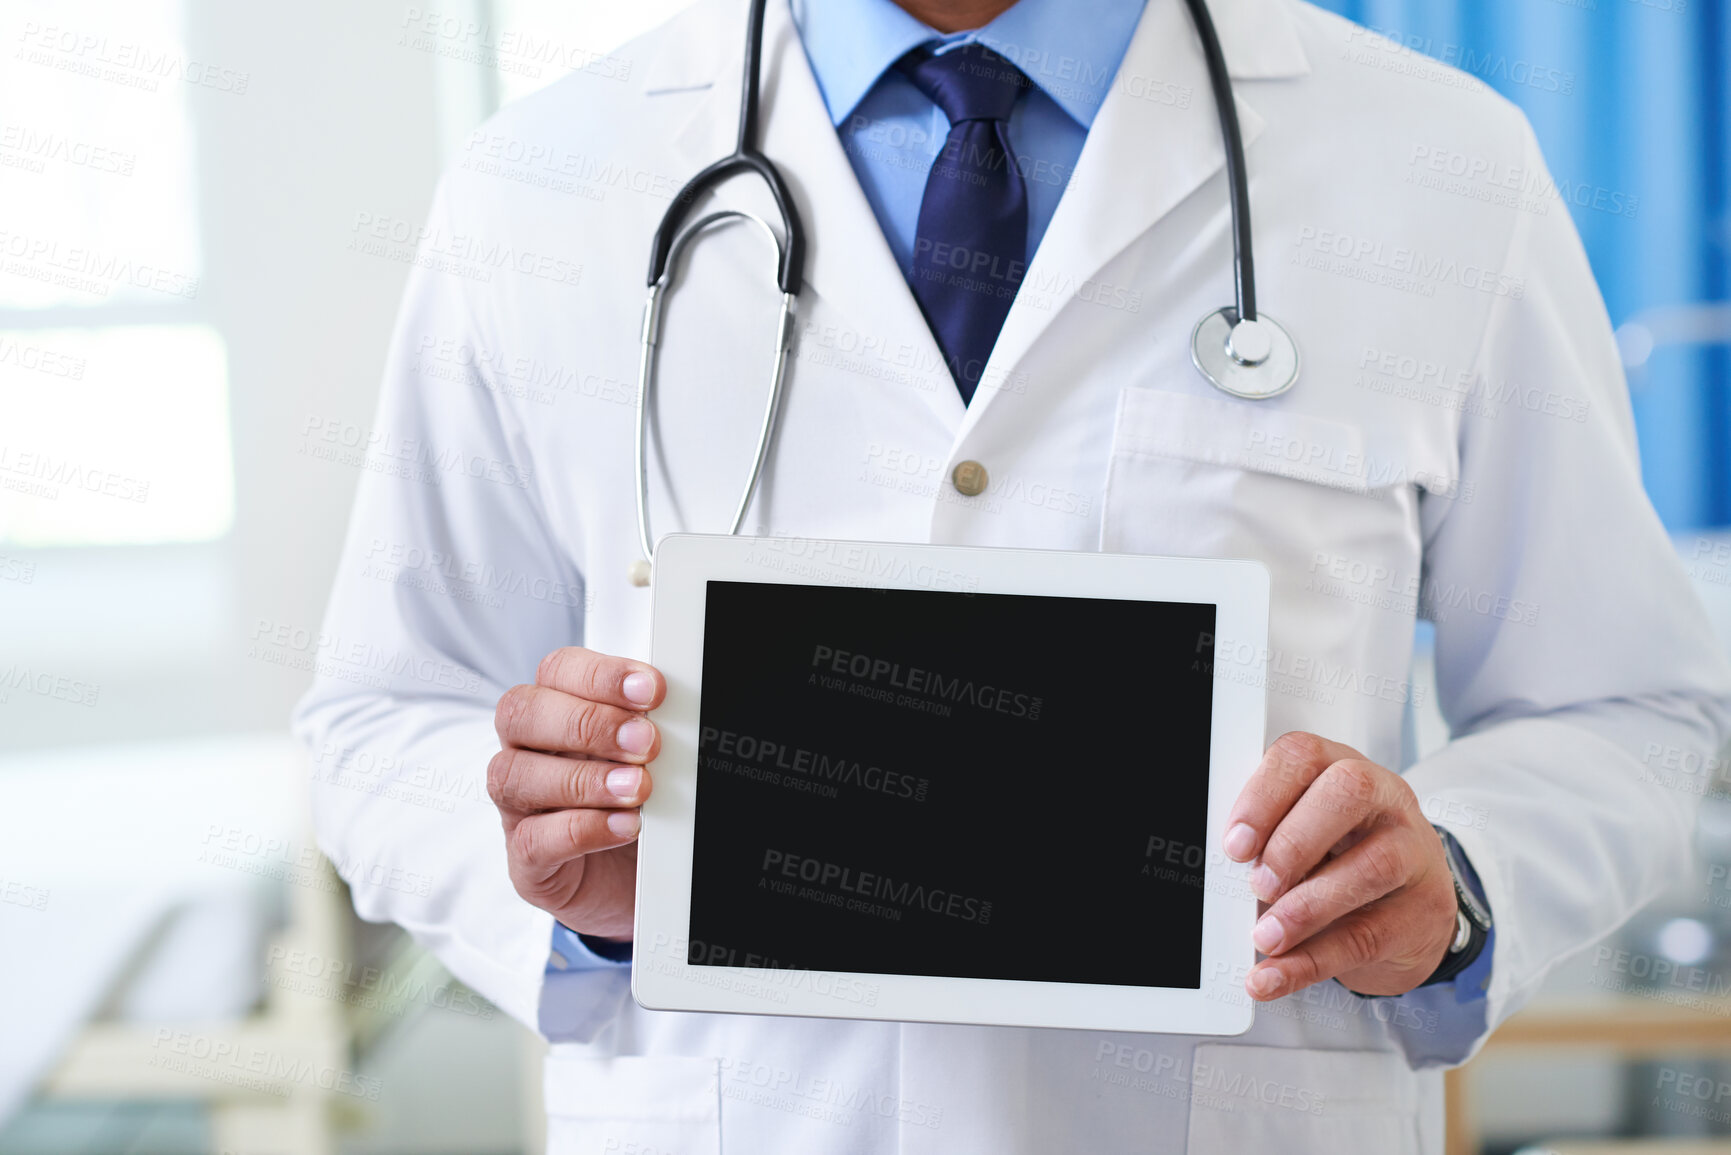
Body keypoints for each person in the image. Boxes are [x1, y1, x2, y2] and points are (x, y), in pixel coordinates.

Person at [293, 0, 1731, 1150]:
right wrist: (572, 888)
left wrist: (1456, 883)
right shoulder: (547, 181)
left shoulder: (1436, 165)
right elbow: (378, 721)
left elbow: (1626, 705)